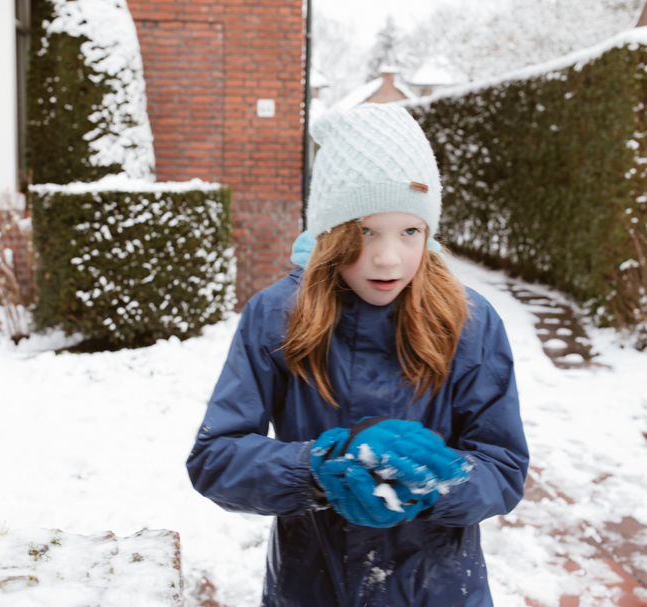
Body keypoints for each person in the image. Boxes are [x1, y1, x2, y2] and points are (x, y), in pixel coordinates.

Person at [186, 104, 529, 606]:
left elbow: (503, 467)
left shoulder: (469, 322)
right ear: (330, 232)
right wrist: (316, 469)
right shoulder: (276, 316)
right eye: (365, 232)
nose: (388, 257)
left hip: (437, 590)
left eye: (410, 231)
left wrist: (439, 482)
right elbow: (216, 458)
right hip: (311, 585)